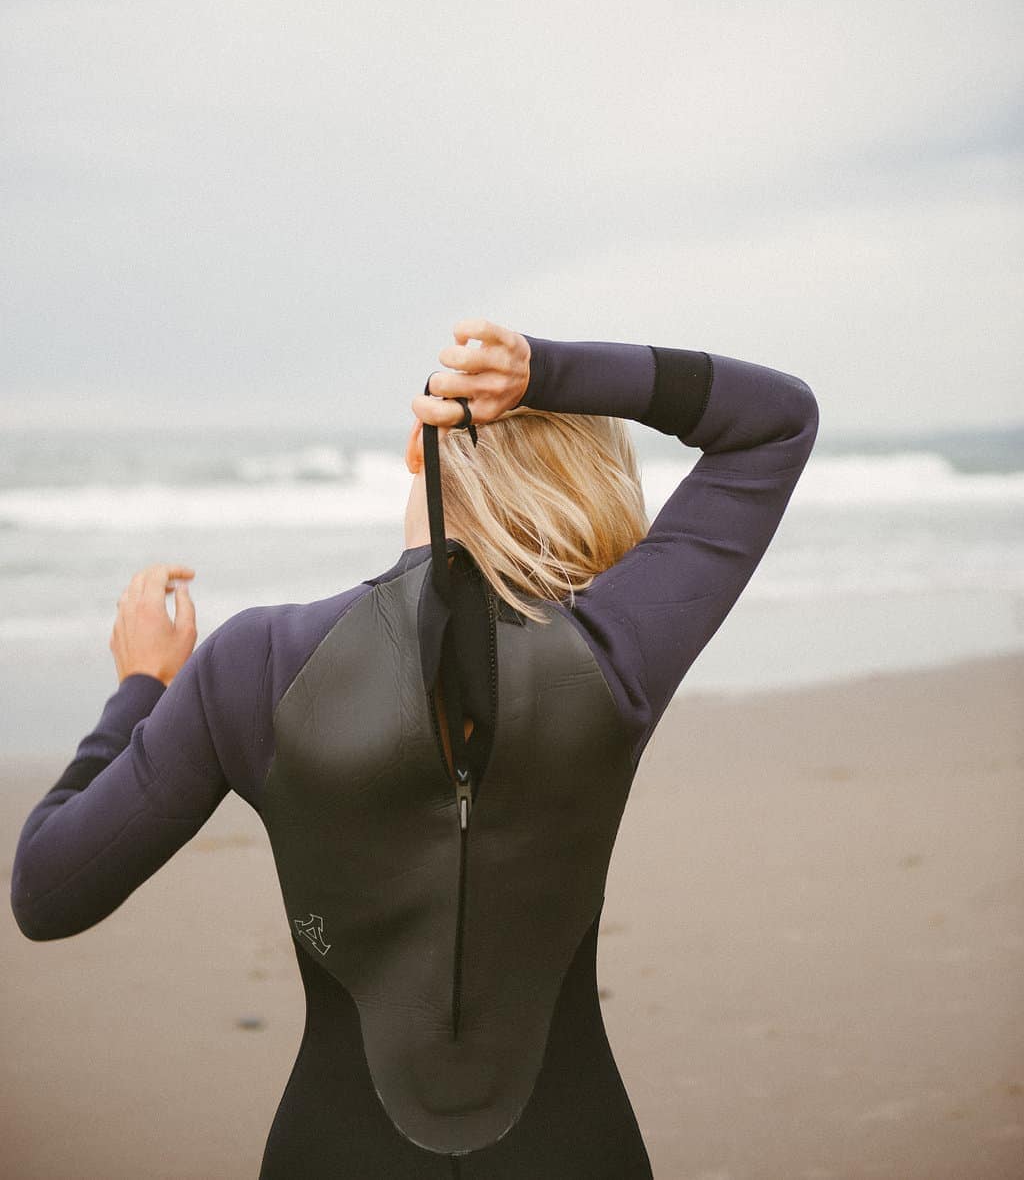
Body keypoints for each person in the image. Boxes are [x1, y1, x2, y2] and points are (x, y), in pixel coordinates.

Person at [9, 318, 819, 1179]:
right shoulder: (614, 655)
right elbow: (777, 418)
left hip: (335, 1151)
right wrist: (548, 371)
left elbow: (48, 888)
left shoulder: (257, 666)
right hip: (576, 1149)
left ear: (415, 445)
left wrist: (139, 689)